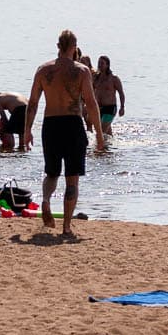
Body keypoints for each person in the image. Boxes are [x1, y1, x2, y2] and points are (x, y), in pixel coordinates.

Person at [27, 29, 106, 236]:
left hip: (50, 123)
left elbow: (33, 103)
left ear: (57, 46)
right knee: (72, 178)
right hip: (72, 124)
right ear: (74, 47)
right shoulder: (81, 71)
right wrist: (99, 133)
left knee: (51, 173)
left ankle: (45, 200)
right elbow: (91, 103)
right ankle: (67, 226)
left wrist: (27, 131)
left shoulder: (43, 70)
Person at [92, 56, 126, 137]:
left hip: (110, 108)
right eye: (99, 63)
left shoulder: (114, 78)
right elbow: (91, 91)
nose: (99, 65)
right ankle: (111, 147)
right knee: (107, 134)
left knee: (101, 132)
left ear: (107, 65)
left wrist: (122, 107)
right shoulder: (96, 78)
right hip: (98, 108)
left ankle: (99, 148)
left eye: (102, 63)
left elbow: (121, 93)